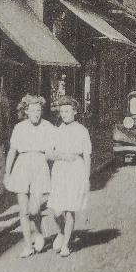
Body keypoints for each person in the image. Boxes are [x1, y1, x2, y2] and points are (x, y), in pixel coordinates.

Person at [4, 94, 54, 257]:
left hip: (39, 164)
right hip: (22, 166)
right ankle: (27, 245)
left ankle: (38, 233)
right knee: (23, 211)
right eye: (32, 110)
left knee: (34, 209)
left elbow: (52, 150)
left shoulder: (47, 127)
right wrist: (7, 172)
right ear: (26, 111)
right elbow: (12, 151)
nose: (36, 114)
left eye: (38, 110)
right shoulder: (19, 128)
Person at [46, 97, 92, 257]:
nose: (64, 114)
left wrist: (86, 178)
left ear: (75, 112)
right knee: (55, 210)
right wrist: (62, 157)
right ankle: (61, 232)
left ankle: (66, 244)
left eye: (67, 111)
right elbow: (48, 154)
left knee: (69, 209)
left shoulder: (81, 130)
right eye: (62, 111)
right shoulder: (57, 130)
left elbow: (87, 155)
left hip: (75, 170)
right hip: (60, 170)